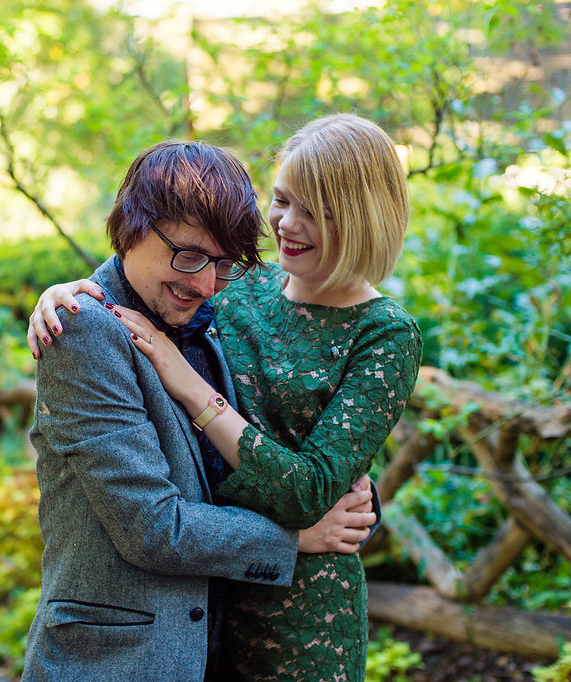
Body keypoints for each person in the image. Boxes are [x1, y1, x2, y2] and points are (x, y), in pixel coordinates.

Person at [28, 113, 422, 680]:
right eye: (283, 200)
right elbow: (153, 524)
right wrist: (64, 298)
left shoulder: (248, 296)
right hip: (192, 613)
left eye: (317, 211)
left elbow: (313, 472)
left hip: (291, 615)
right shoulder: (243, 290)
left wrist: (345, 498)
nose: (288, 224)